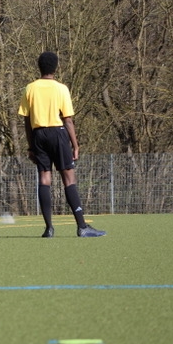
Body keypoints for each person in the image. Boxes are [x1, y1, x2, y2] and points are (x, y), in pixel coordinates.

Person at [18, 51, 106, 238]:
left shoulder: (29, 88)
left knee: (44, 179)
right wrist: (75, 145)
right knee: (69, 179)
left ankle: (49, 228)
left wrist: (31, 146)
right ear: (55, 67)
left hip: (38, 134)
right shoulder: (61, 89)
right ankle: (82, 226)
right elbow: (68, 120)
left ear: (39, 67)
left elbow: (26, 121)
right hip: (58, 133)